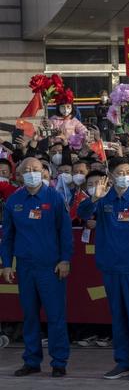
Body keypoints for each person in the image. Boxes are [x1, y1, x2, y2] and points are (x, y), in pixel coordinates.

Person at [77, 158, 129, 381]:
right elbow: (82, 213)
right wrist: (94, 197)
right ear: (111, 176)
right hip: (110, 265)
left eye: (128, 171)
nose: (125, 175)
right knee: (118, 316)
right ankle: (122, 362)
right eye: (120, 172)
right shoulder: (103, 198)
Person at [0, 157, 72, 377]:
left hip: (51, 267)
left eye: (36, 169)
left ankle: (59, 361)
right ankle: (32, 360)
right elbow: (8, 237)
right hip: (25, 266)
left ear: (44, 172)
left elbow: (65, 232)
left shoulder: (55, 198)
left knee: (55, 315)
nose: (32, 173)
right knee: (30, 315)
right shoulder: (14, 201)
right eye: (27, 170)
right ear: (19, 175)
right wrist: (6, 264)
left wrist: (65, 259)